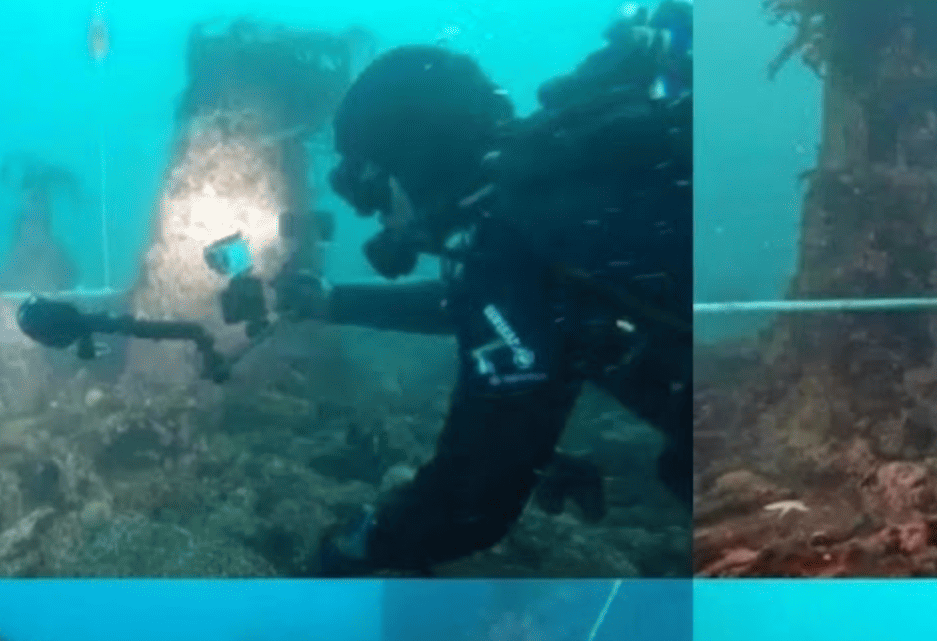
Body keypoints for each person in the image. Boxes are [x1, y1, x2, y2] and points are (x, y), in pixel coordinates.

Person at [275, 2, 692, 575]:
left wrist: (360, 543)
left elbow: (470, 506)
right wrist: (334, 301)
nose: (378, 218)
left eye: (373, 188)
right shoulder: (540, 204)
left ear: (415, 160)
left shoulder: (515, 236)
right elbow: (477, 306)